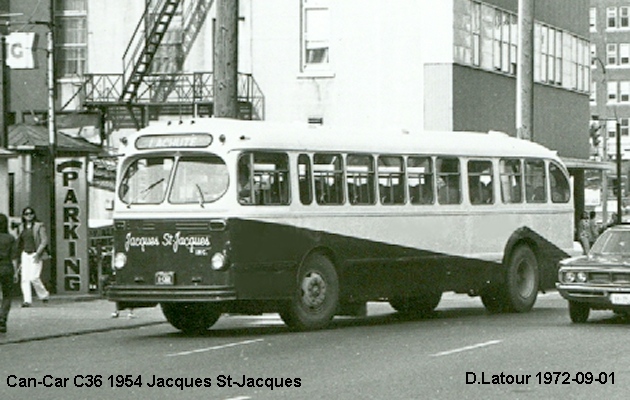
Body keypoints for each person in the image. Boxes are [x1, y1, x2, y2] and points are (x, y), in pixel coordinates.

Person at [16, 207, 50, 307]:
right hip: (25, 254)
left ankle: (44, 295)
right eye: (26, 214)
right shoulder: (21, 227)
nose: (29, 215)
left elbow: (44, 241)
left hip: (35, 253)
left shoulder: (39, 226)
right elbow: (19, 241)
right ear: (23, 216)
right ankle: (27, 300)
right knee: (24, 278)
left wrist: (38, 253)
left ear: (34, 215)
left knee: (34, 277)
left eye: (31, 213)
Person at [0, 213, 18, 333]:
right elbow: (14, 257)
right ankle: (2, 318)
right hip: (7, 267)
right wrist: (15, 272)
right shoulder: (10, 238)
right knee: (7, 295)